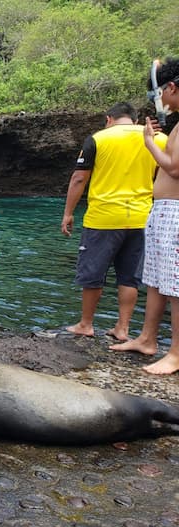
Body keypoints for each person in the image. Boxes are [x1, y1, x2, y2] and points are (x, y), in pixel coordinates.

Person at [61, 102, 167, 340]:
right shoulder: (157, 139)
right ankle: (123, 328)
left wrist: (68, 212)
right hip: (141, 218)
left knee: (93, 273)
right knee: (129, 276)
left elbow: (79, 178)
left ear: (109, 118)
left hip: (104, 217)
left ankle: (86, 324)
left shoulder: (99, 139)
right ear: (135, 119)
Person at [111, 58, 179, 374]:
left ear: (171, 88)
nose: (159, 102)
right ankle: (147, 339)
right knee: (155, 280)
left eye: (158, 95)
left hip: (174, 214)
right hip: (162, 212)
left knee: (175, 285)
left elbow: (174, 167)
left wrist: (150, 143)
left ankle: (175, 354)